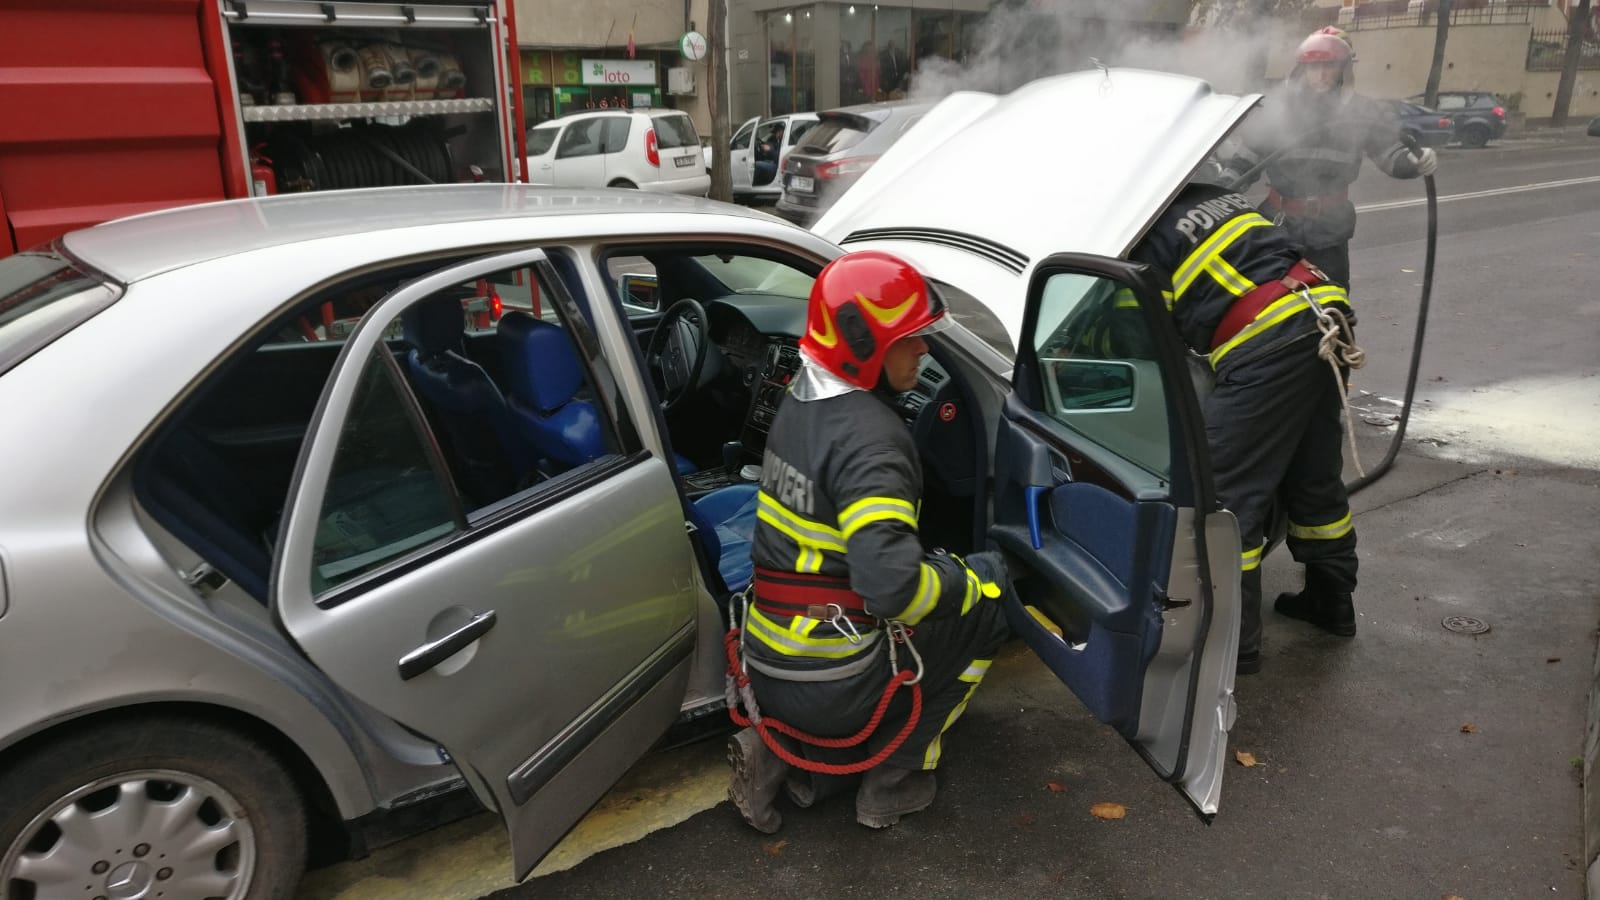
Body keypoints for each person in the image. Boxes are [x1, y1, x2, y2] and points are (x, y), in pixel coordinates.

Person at [726, 250, 1011, 832]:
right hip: (833, 684)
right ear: (864, 346)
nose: (924, 349)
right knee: (989, 604)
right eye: (908, 339)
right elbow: (892, 592)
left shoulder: (799, 401)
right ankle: (894, 783)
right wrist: (972, 579)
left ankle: (794, 762)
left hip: (767, 664)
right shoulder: (874, 443)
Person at [1126, 177, 1362, 675]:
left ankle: (1234, 643)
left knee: (1223, 498)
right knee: (1312, 475)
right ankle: (1332, 601)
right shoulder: (1210, 191)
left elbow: (1145, 336)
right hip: (1323, 313)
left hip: (1269, 338)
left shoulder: (1139, 234)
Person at [1221, 27, 1438, 290]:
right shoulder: (1280, 108)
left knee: (1332, 302)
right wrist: (1220, 188)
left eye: (1329, 66)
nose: (1321, 74)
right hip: (1279, 226)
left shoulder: (1361, 112)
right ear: (1302, 69)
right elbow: (1248, 157)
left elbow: (1388, 154)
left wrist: (1414, 162)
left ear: (1343, 69)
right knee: (1274, 302)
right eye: (1314, 67)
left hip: (1329, 231)